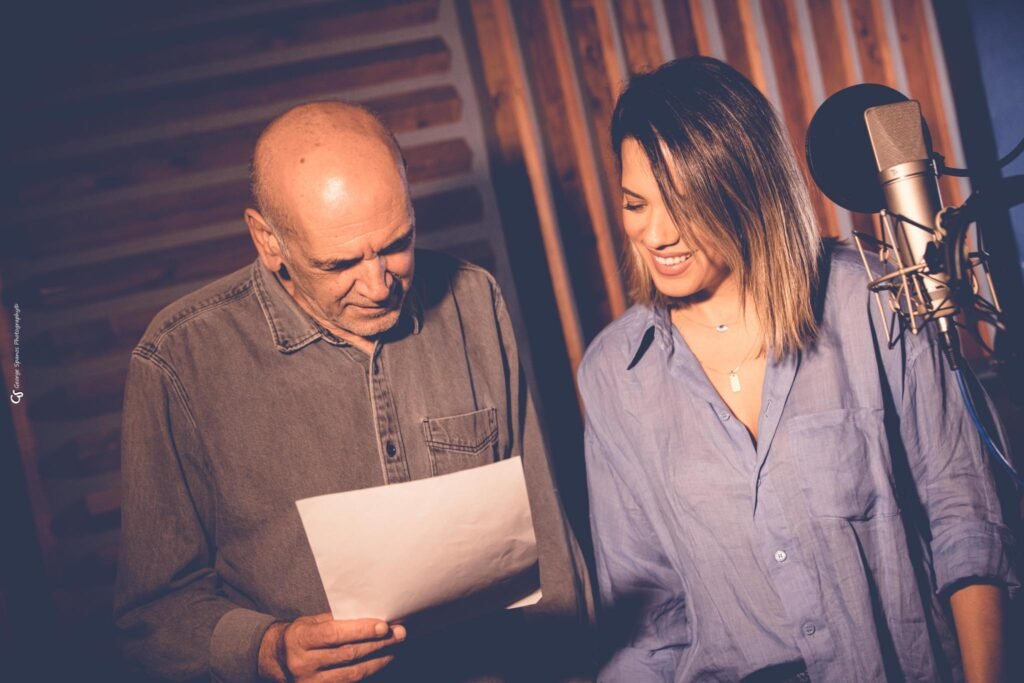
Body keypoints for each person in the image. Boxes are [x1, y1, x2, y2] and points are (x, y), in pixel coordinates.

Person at [114, 101, 592, 682]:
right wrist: (269, 648)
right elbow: (152, 616)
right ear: (267, 240)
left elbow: (549, 548)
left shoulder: (473, 300)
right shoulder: (179, 359)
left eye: (396, 244)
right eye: (339, 264)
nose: (378, 285)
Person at [578, 57, 1018, 682]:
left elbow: (966, 521)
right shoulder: (614, 376)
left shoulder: (871, 300)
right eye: (634, 203)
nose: (656, 234)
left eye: (684, 203)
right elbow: (650, 633)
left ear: (747, 189)